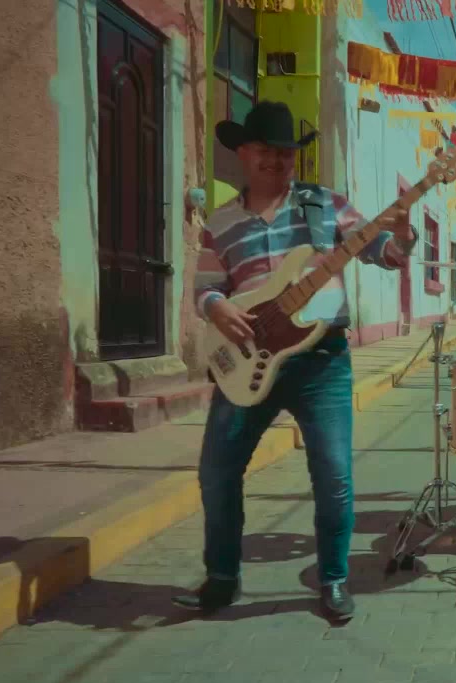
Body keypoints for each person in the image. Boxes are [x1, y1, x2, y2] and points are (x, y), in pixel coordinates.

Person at [176, 101, 417, 620]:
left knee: (333, 476)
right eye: (265, 150)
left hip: (321, 361)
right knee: (217, 473)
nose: (276, 160)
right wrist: (217, 308)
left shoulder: (324, 205)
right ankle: (222, 579)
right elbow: (205, 289)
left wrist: (402, 235)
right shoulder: (219, 223)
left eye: (285, 152)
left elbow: (384, 253)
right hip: (248, 361)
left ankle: (333, 579)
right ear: (243, 153)